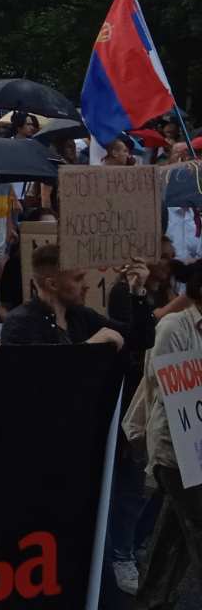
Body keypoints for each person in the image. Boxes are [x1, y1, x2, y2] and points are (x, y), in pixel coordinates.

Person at [131, 259, 202, 609]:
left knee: (173, 536)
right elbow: (169, 387)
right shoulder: (175, 327)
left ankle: (151, 602)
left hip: (198, 454)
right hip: (176, 452)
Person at [0, 243, 127, 348]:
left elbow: (137, 337)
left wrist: (137, 290)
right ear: (52, 284)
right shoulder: (20, 323)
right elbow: (43, 373)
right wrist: (90, 346)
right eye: (78, 279)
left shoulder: (81, 315)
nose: (86, 285)